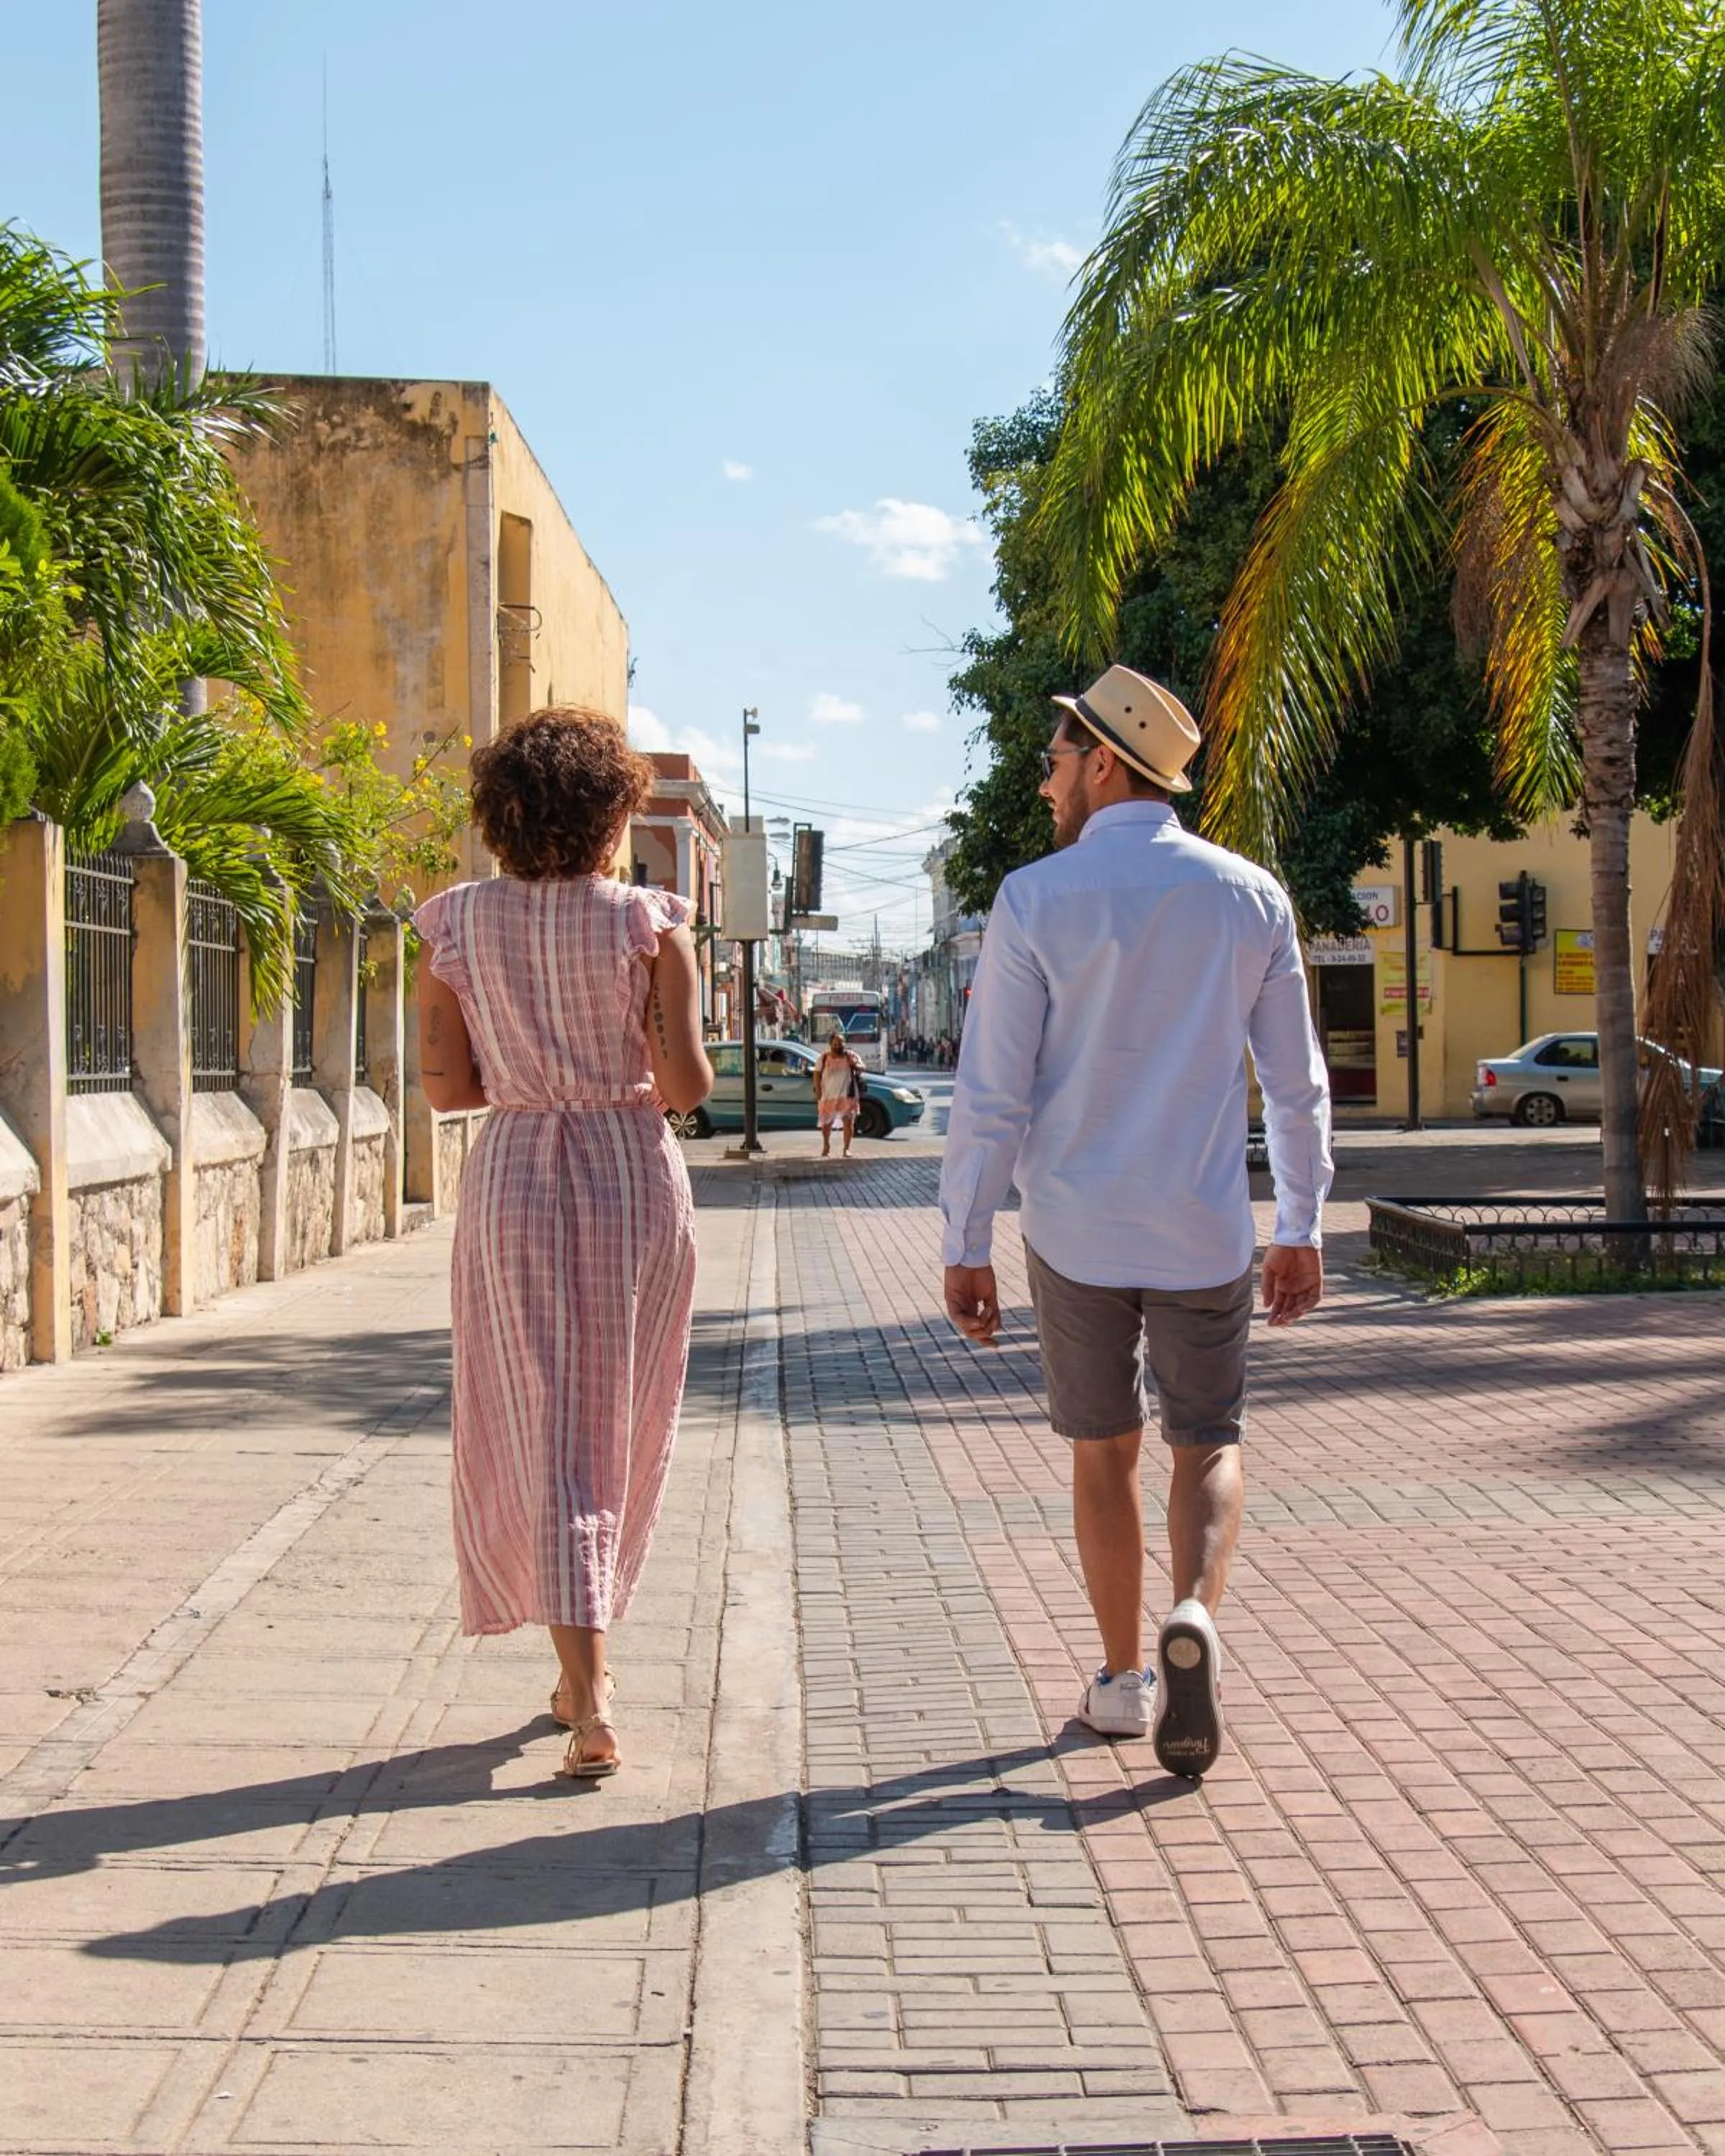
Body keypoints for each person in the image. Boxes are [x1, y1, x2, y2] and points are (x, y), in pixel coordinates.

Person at [939, 664, 1331, 1780]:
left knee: (1103, 1454)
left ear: (1104, 762)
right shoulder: (1250, 895)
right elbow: (1294, 1082)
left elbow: (993, 1090)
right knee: (1207, 1440)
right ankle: (1194, 1615)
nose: (1047, 778)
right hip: (1204, 1224)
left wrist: (966, 1240)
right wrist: (1300, 1221)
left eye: (1058, 758)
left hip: (1074, 1228)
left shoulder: (1035, 897)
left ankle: (1122, 1682)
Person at [414, 709, 712, 1782]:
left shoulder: (454, 925)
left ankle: (581, 1683)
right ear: (609, 813)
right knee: (617, 1421)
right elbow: (684, 1089)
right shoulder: (647, 923)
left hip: (514, 1182)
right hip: (632, 1178)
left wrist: (532, 1076)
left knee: (538, 1424)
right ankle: (589, 1688)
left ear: (503, 812)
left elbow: (449, 1089)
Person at [814, 1028, 864, 1158]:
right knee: (826, 1124)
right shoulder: (823, 1058)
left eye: (840, 1044)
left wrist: (855, 1064)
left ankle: (846, 1149)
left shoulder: (851, 1055)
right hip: (828, 1095)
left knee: (848, 1122)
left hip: (847, 1095)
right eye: (835, 1044)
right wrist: (818, 1092)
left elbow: (863, 1068)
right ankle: (826, 1147)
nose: (838, 1047)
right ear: (831, 1045)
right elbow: (817, 1074)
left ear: (844, 1044)